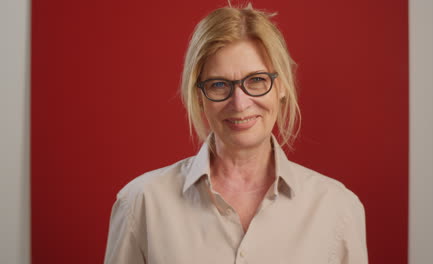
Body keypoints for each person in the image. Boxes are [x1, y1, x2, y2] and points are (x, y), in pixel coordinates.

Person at [104, 3, 367, 264]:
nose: (240, 103)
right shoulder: (141, 204)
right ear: (199, 95)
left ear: (282, 86)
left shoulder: (338, 208)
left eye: (256, 80)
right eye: (219, 85)